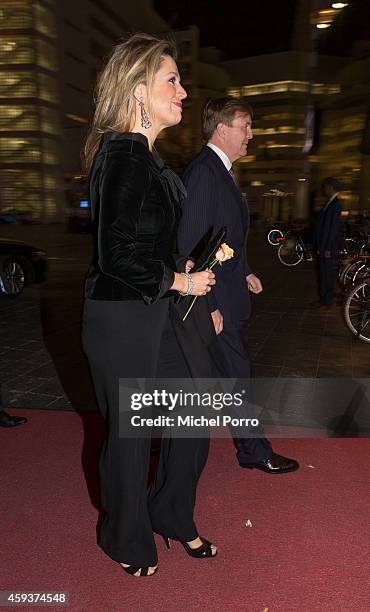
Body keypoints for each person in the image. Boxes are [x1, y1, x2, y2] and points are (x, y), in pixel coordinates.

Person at [82, 34, 217, 578]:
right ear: (139, 90)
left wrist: (190, 273)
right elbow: (115, 255)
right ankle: (125, 538)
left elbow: (149, 247)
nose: (183, 91)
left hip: (155, 310)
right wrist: (181, 284)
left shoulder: (146, 158)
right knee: (131, 437)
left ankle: (171, 513)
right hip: (120, 318)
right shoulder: (121, 154)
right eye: (172, 80)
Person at [177, 97, 299, 474]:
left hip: (226, 290)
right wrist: (209, 303)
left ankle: (163, 438)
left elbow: (225, 234)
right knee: (237, 373)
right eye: (246, 126)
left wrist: (244, 269)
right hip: (214, 299)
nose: (251, 134)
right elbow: (190, 245)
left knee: (203, 375)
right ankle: (253, 450)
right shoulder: (203, 173)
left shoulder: (222, 171)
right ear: (222, 128)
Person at [312, 177, 342, 309]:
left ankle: (327, 301)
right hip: (324, 246)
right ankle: (324, 298)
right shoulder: (331, 202)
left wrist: (328, 248)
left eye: (325, 187)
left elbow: (333, 228)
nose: (324, 190)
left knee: (327, 274)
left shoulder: (336, 204)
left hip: (328, 247)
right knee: (323, 273)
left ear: (330, 187)